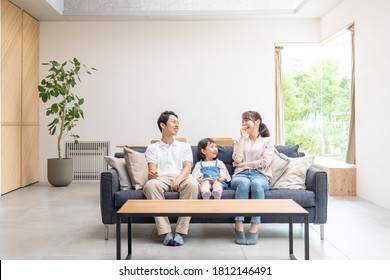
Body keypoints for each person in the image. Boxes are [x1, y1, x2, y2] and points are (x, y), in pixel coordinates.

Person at [143, 110, 199, 246]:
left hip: (181, 176)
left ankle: (180, 232)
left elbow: (187, 167)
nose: (177, 125)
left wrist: (178, 179)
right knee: (150, 186)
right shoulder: (152, 148)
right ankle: (165, 232)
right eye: (174, 122)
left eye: (178, 123)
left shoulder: (184, 146)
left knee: (192, 184)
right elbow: (152, 170)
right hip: (161, 178)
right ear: (163, 125)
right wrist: (152, 175)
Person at [231, 111, 274, 245]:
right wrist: (242, 138)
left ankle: (255, 226)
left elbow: (265, 162)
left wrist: (243, 164)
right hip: (241, 174)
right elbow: (236, 159)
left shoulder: (267, 140)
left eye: (246, 120)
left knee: (256, 184)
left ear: (257, 122)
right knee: (243, 183)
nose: (244, 124)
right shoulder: (238, 140)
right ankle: (238, 225)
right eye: (242, 121)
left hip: (260, 175)